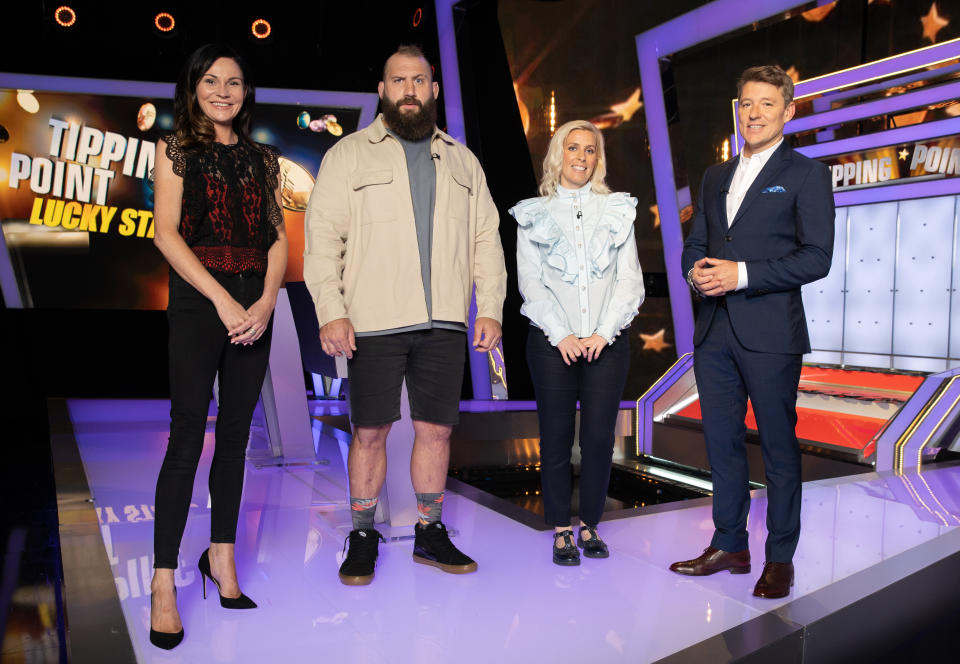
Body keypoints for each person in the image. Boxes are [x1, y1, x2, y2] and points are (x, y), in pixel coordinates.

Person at [303, 45, 506, 585]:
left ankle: (429, 532)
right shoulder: (347, 155)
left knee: (436, 431)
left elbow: (487, 239)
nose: (410, 90)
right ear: (383, 91)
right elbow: (322, 239)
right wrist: (332, 310)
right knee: (369, 432)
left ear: (434, 90)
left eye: (419, 80)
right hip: (371, 319)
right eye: (399, 80)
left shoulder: (463, 161)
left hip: (444, 321)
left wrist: (490, 308)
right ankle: (363, 534)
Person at [669, 65, 834, 598]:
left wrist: (740, 276)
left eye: (766, 103)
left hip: (770, 333)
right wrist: (694, 271)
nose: (754, 112)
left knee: (780, 450)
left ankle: (780, 557)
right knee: (721, 445)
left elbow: (817, 258)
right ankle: (730, 544)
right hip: (714, 331)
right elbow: (697, 241)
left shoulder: (808, 174)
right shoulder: (714, 176)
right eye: (746, 103)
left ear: (788, 110)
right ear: (737, 110)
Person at [149, 43, 287, 648]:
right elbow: (166, 233)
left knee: (235, 440)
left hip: (254, 306)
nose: (223, 91)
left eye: (234, 82)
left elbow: (278, 241)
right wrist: (224, 300)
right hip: (200, 302)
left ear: (245, 92)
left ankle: (221, 558)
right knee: (186, 440)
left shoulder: (263, 158)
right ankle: (161, 583)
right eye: (211, 81)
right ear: (194, 87)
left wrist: (263, 301)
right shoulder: (175, 148)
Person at [510, 120, 644, 565]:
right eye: (573, 148)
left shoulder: (618, 210)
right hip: (552, 344)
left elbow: (630, 282)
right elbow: (530, 283)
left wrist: (603, 333)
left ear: (597, 158)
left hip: (608, 342)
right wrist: (563, 334)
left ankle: (589, 525)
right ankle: (560, 529)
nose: (581, 157)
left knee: (600, 440)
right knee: (554, 439)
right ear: (558, 154)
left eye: (590, 150)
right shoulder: (533, 213)